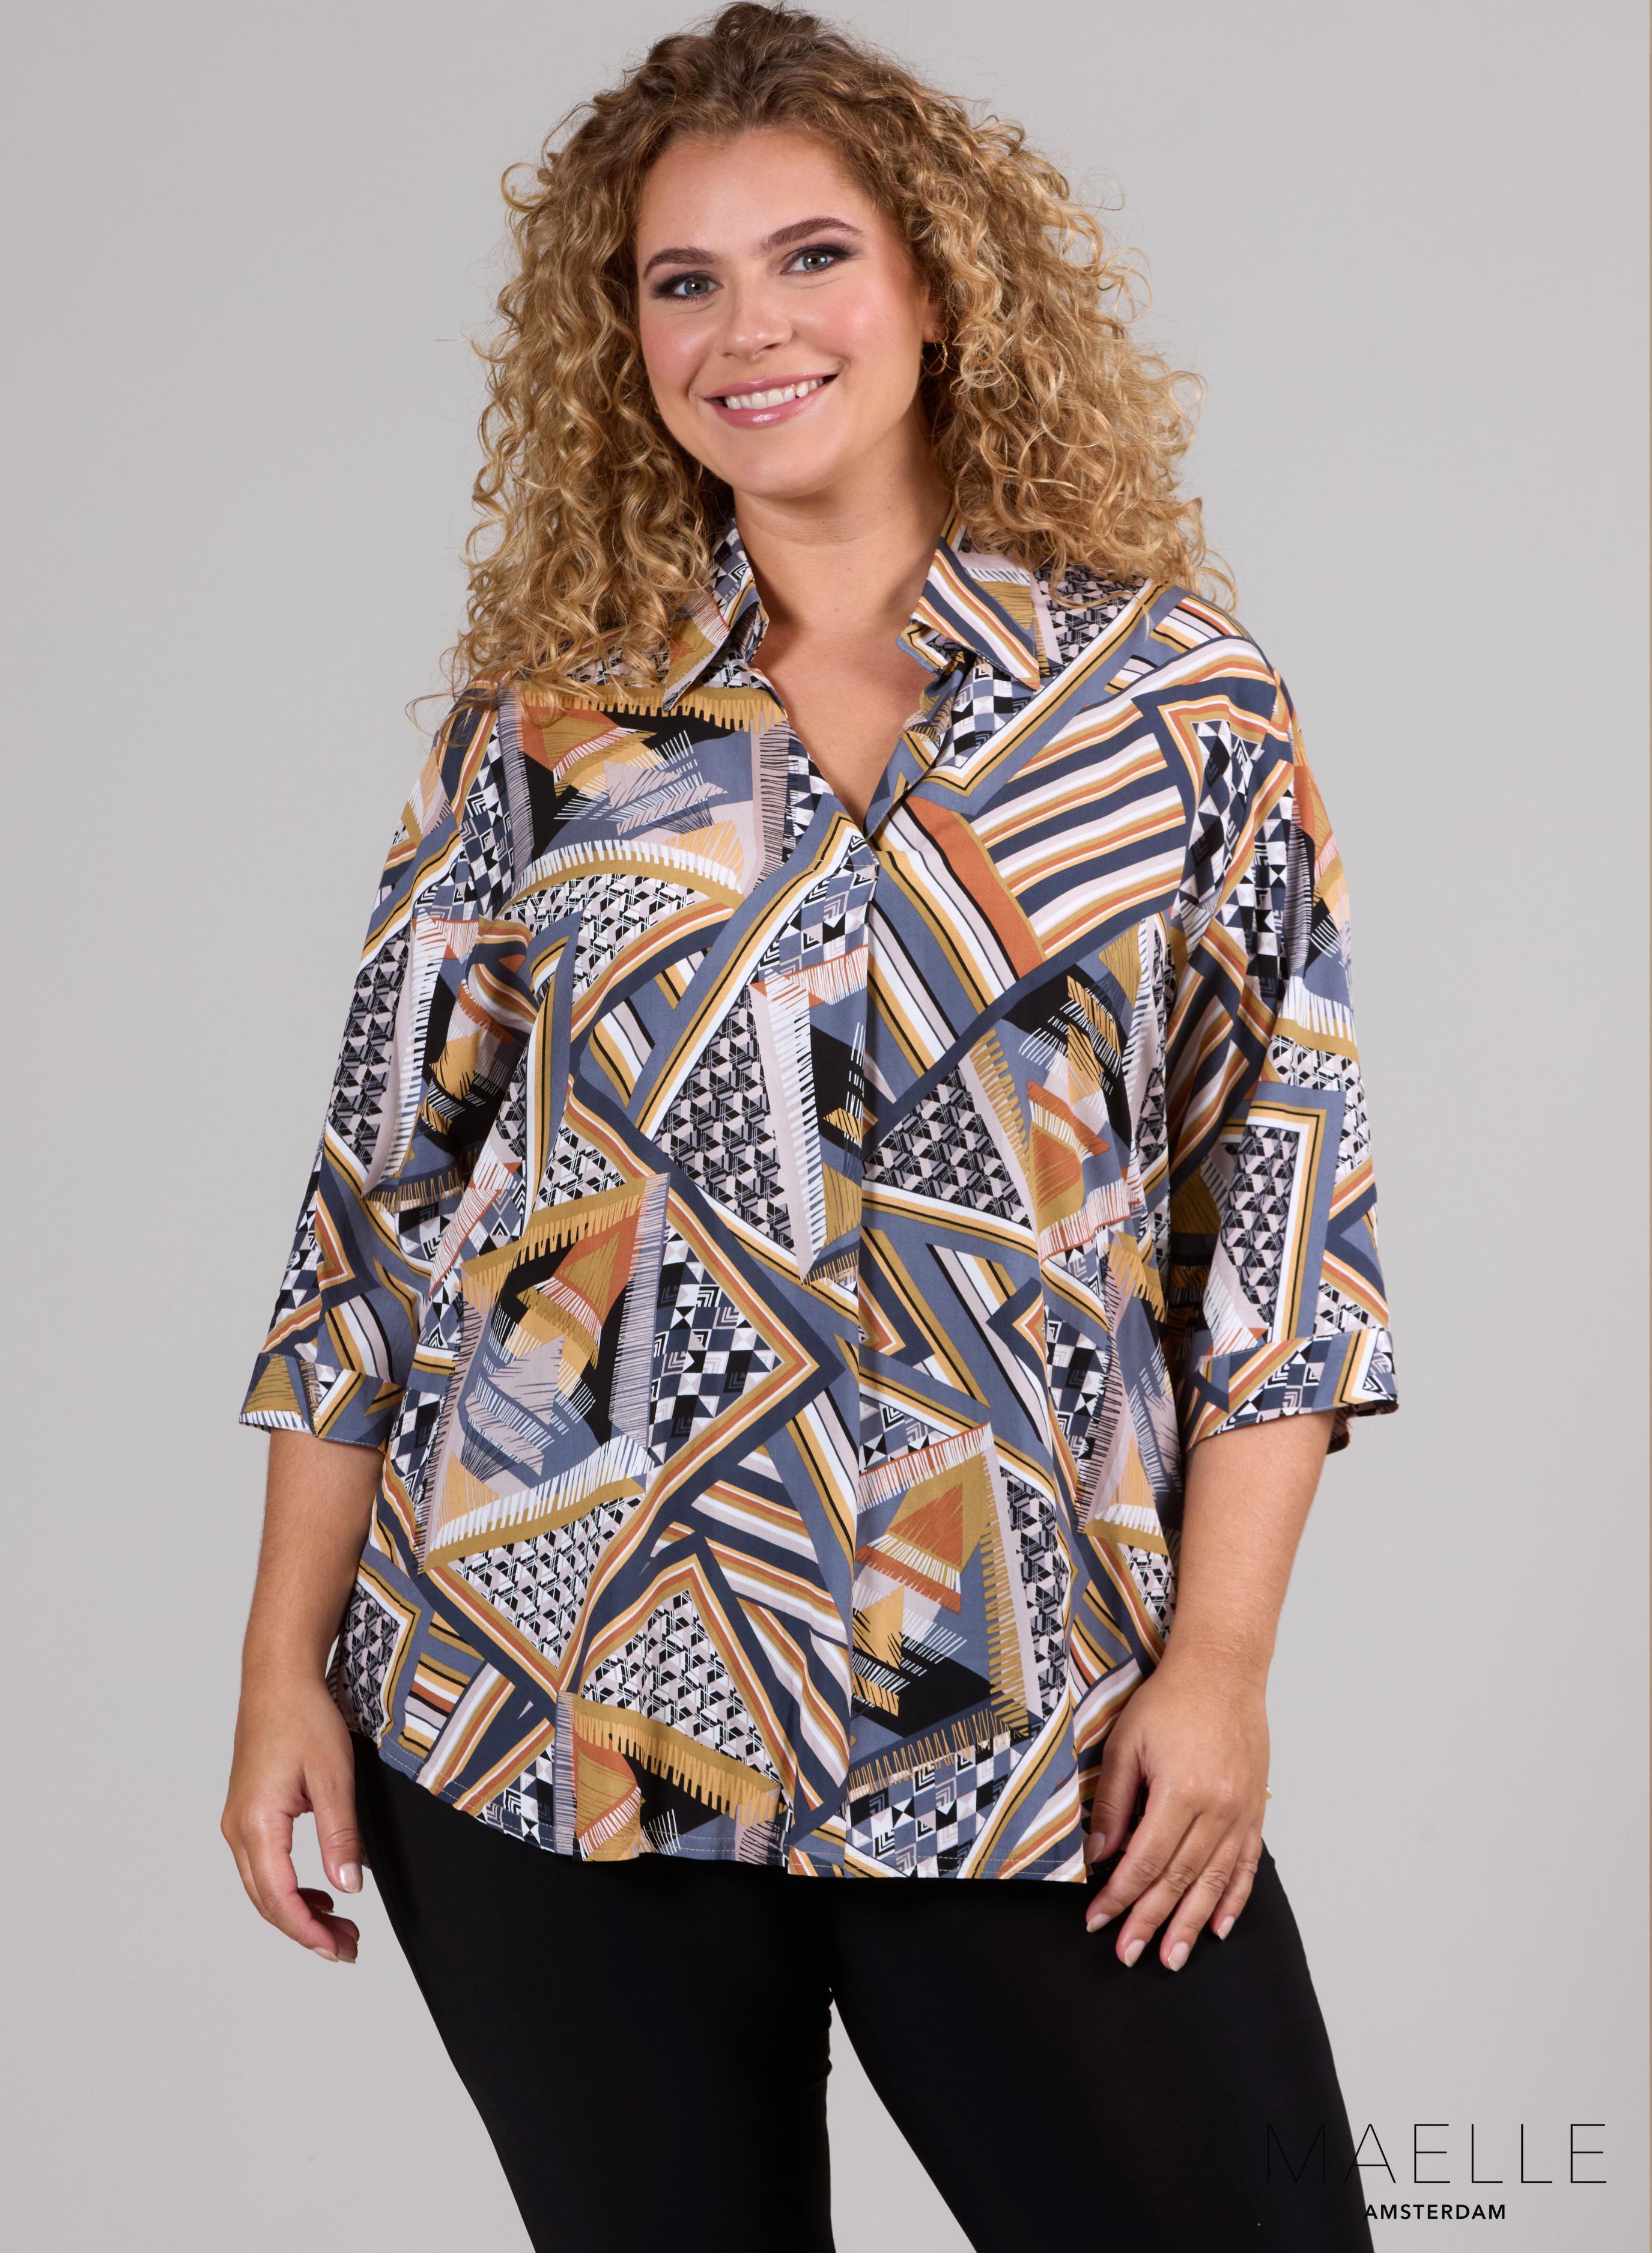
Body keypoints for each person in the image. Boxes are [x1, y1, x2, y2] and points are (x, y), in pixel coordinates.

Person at [222, 7, 1398, 2247]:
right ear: (630, 339)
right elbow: (378, 1212)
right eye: (686, 281)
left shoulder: (1174, 709)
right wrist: (282, 1668)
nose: (749, 328)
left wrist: (1225, 1674)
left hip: (1027, 1710)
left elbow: (1282, 1231)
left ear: (938, 288)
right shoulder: (548, 731)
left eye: (812, 256)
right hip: (552, 1704)